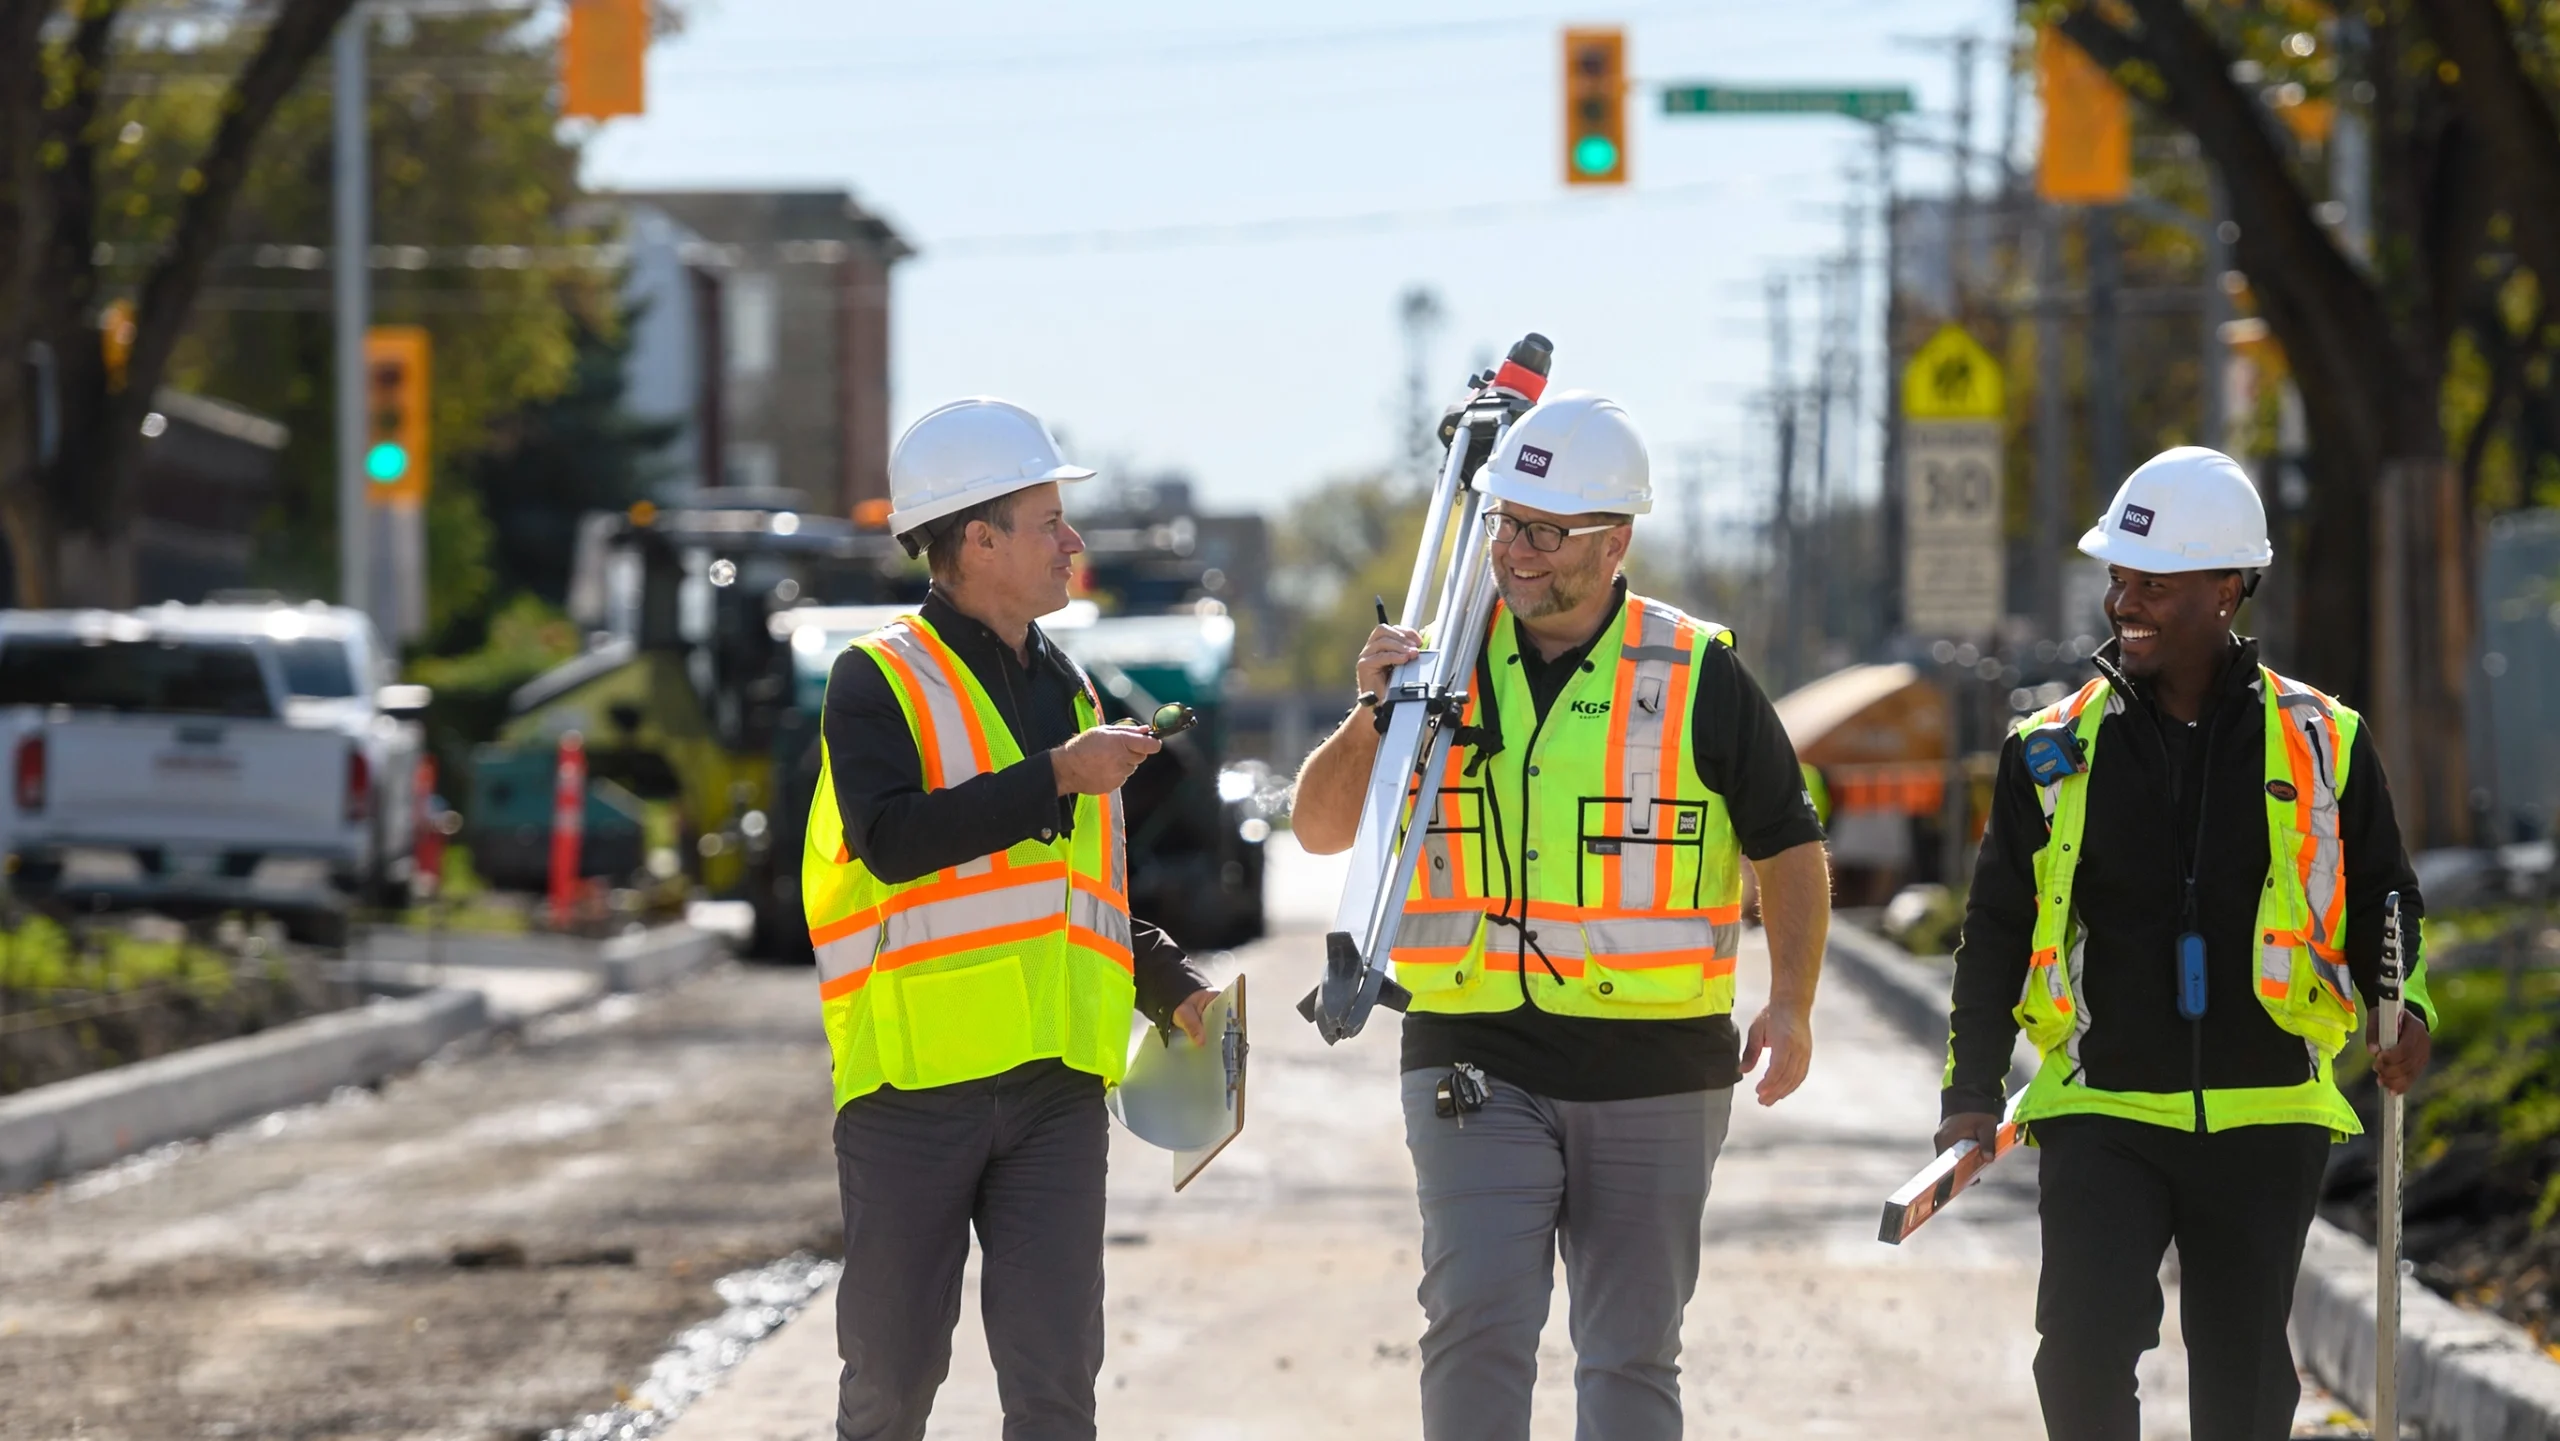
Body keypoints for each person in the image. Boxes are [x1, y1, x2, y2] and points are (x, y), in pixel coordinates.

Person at [1291, 391, 1832, 1441]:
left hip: (1657, 1064)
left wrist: (1794, 1002)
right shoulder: (1432, 666)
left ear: (1615, 537)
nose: (1517, 552)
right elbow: (1317, 829)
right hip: (1473, 1051)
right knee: (1475, 1321)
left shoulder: (1695, 673)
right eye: (1504, 523)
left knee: (1630, 1352)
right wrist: (1371, 713)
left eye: (1545, 530)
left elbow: (1787, 843)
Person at [1935, 446, 2435, 1441]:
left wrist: (2404, 1004)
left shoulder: (2324, 741)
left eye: (2152, 584)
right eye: (2118, 577)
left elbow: (2387, 894)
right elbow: (1992, 927)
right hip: (2102, 1108)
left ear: (2226, 589)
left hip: (2267, 1113)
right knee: (2077, 1357)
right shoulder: (2049, 750)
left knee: (2246, 1392)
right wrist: (1968, 1094)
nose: (2124, 601)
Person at [802, 396, 1215, 1441]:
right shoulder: (875, 679)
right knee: (891, 1384)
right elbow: (893, 842)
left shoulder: (1072, 689)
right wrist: (1054, 777)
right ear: (975, 538)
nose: (1072, 541)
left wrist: (1173, 986)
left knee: (1055, 1387)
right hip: (913, 1087)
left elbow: (1081, 897)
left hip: (1054, 1091)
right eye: (1047, 521)